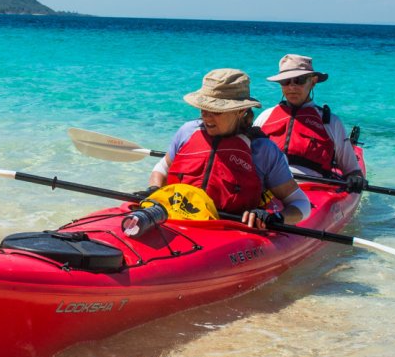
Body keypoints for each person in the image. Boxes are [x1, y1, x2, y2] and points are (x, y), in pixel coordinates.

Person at [144, 69, 311, 229]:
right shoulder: (187, 132)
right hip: (173, 219)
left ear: (240, 111)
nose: (206, 115)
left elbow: (301, 204)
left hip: (226, 232)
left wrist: (276, 218)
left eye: (216, 111)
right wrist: (154, 190)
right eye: (203, 108)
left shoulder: (263, 151)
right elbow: (162, 168)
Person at [253, 54, 364, 192]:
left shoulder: (331, 123)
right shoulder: (265, 117)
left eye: (299, 80)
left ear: (313, 81)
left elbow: (352, 171)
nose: (292, 87)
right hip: (268, 189)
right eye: (286, 81)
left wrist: (355, 178)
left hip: (312, 191)